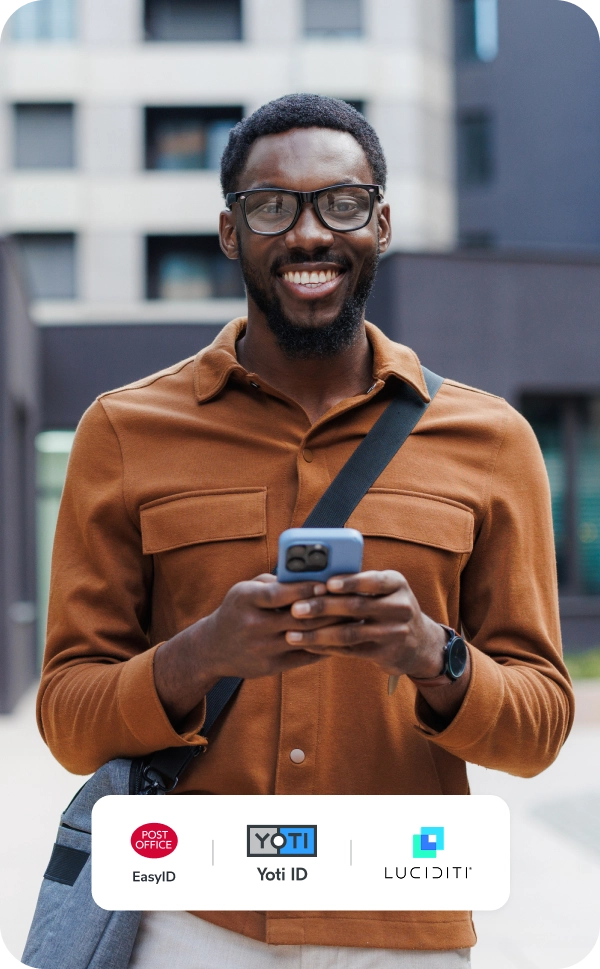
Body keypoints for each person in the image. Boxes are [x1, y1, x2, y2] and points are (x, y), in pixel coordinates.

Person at [38, 94, 574, 968]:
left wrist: (430, 653)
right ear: (229, 231)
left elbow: (541, 728)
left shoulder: (492, 441)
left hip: (403, 929)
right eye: (273, 206)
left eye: (342, 202)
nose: (310, 233)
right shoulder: (124, 430)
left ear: (382, 222)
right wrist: (201, 652)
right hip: (190, 924)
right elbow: (66, 719)